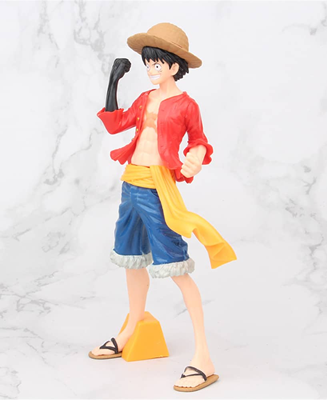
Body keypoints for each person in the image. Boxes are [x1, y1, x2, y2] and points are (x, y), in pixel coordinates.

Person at [89, 22, 237, 392]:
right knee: (131, 258)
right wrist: (113, 81)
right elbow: (116, 125)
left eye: (156, 64)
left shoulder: (187, 105)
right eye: (147, 64)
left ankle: (203, 356)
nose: (151, 70)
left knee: (174, 265)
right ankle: (130, 328)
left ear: (173, 66)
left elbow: (199, 140)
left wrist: (195, 158)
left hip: (157, 189)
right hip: (131, 184)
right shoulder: (144, 98)